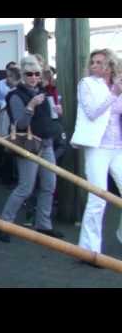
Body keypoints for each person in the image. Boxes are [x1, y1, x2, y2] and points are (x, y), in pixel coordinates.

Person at [0, 55, 64, 243]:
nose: (34, 77)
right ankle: (4, 224)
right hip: (29, 145)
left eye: (37, 73)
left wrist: (58, 113)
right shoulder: (15, 95)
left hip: (47, 143)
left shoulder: (43, 91)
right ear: (22, 75)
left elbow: (50, 119)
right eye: (29, 74)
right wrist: (31, 106)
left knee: (49, 186)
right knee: (25, 188)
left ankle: (43, 225)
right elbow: (20, 124)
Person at [71, 48, 122, 266]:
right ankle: (89, 251)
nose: (95, 66)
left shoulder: (117, 85)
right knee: (98, 198)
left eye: (100, 62)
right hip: (97, 147)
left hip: (118, 146)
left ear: (111, 65)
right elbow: (91, 112)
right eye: (93, 62)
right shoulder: (86, 84)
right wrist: (113, 95)